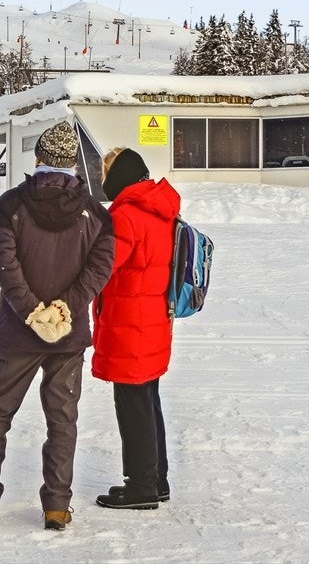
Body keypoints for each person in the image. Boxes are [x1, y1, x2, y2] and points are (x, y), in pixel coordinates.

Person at [0, 143, 114, 531]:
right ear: (73, 164)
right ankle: (57, 508)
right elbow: (100, 269)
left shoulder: (10, 204)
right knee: (62, 420)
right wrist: (65, 309)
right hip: (68, 336)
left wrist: (32, 311)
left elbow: (4, 263)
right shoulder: (96, 213)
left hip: (17, 333)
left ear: (39, 160)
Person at [91, 147, 179, 511]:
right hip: (153, 320)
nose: (102, 181)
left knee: (132, 404)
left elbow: (105, 267)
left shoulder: (127, 215)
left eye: (105, 173)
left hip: (130, 324)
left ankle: (141, 486)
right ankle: (156, 480)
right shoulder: (159, 209)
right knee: (148, 400)